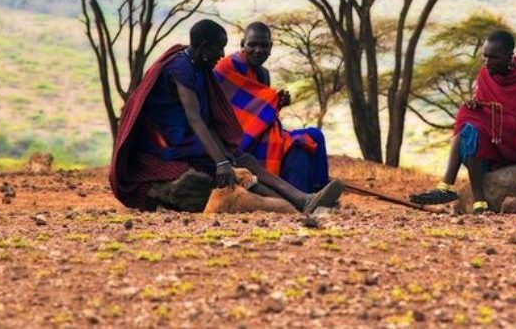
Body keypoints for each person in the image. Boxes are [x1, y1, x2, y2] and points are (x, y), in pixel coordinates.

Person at [109, 19, 342, 213]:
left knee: (244, 161)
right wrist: (220, 161)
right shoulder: (180, 67)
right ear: (202, 46)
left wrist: (225, 154)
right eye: (218, 48)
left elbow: (208, 118)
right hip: (169, 144)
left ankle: (303, 200)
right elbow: (194, 117)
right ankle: (299, 204)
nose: (222, 54)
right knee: (235, 169)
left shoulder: (199, 67)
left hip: (190, 140)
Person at [409, 30, 516, 212]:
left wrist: (490, 114)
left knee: (468, 115)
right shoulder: (485, 74)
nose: (486, 62)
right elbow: (486, 105)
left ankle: (447, 187)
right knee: (470, 128)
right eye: (485, 56)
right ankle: (477, 201)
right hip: (497, 135)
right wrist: (479, 106)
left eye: (493, 57)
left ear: (509, 56)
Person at [214, 22, 330, 194]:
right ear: (242, 45)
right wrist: (269, 102)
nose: (258, 50)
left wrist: (277, 103)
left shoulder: (263, 74)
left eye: (263, 45)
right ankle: (306, 195)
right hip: (238, 138)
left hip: (260, 131)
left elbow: (259, 110)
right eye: (252, 44)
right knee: (297, 144)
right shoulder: (226, 67)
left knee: (315, 135)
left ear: (270, 48)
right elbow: (221, 107)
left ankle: (320, 189)